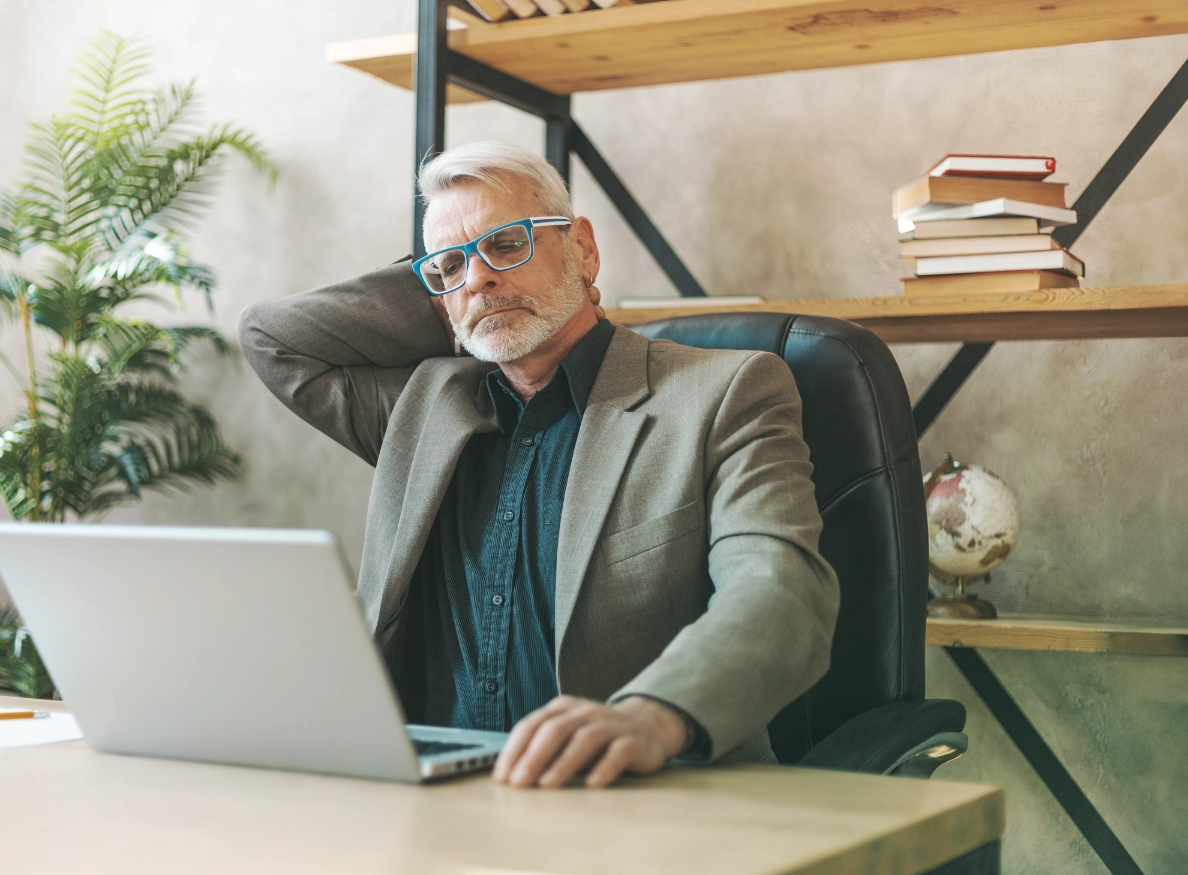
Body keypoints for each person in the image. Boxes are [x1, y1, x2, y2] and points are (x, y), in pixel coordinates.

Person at [240, 142, 838, 789]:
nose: (478, 277)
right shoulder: (422, 405)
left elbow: (781, 589)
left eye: (506, 244)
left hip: (627, 795)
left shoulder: (724, 393)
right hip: (429, 800)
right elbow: (272, 338)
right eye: (450, 265)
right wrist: (453, 291)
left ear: (582, 249)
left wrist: (652, 716)